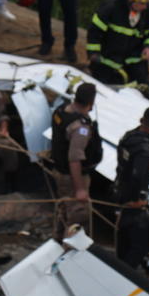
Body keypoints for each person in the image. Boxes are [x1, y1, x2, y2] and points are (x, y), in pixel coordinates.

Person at [87, 0, 149, 96]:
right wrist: (93, 52)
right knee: (102, 92)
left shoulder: (147, 12)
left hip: (134, 60)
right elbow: (94, 31)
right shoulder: (111, 8)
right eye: (141, 3)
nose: (145, 7)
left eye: (146, 3)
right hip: (108, 60)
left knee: (146, 91)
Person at [50, 82, 101, 241]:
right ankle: (69, 252)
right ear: (91, 102)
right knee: (78, 218)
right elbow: (75, 158)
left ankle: (57, 241)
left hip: (59, 170)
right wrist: (80, 189)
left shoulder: (62, 110)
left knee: (64, 211)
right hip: (72, 177)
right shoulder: (80, 127)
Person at [113, 107, 149, 270]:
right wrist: (138, 200)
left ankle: (118, 263)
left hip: (120, 188)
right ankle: (125, 272)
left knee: (122, 234)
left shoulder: (128, 137)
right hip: (132, 199)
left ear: (141, 120)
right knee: (137, 246)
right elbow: (137, 175)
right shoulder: (144, 149)